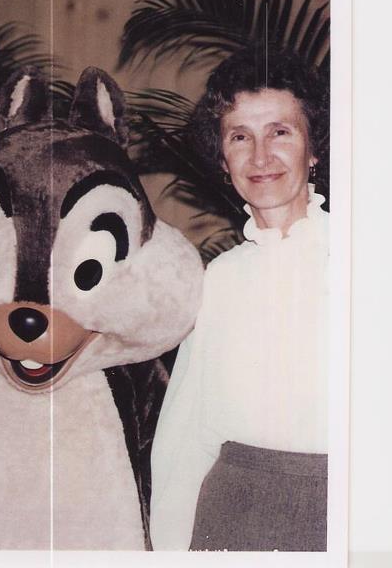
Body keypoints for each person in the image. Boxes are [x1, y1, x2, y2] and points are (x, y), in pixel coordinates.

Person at [150, 48, 329, 551]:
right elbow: (185, 439)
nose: (260, 157)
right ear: (223, 158)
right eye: (240, 137)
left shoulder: (366, 263)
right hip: (229, 519)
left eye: (280, 132)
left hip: (337, 514)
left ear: (313, 149)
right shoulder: (219, 279)